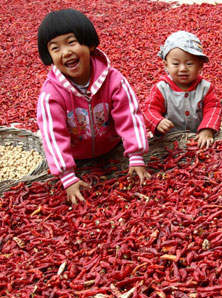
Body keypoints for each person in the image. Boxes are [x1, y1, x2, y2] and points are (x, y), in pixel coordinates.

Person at [36, 8, 151, 204]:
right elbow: (53, 136)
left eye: (71, 42)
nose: (66, 52)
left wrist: (136, 155)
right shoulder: (51, 95)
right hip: (77, 157)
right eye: (55, 48)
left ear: (89, 44)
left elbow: (130, 116)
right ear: (49, 56)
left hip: (113, 147)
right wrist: (67, 177)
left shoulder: (114, 81)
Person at [143, 31, 222, 148]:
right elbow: (149, 110)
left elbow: (213, 108)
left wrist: (207, 129)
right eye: (175, 64)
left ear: (200, 66)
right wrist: (157, 121)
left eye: (189, 63)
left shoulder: (205, 88)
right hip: (168, 141)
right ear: (166, 65)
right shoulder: (161, 88)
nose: (183, 69)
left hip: (197, 138)